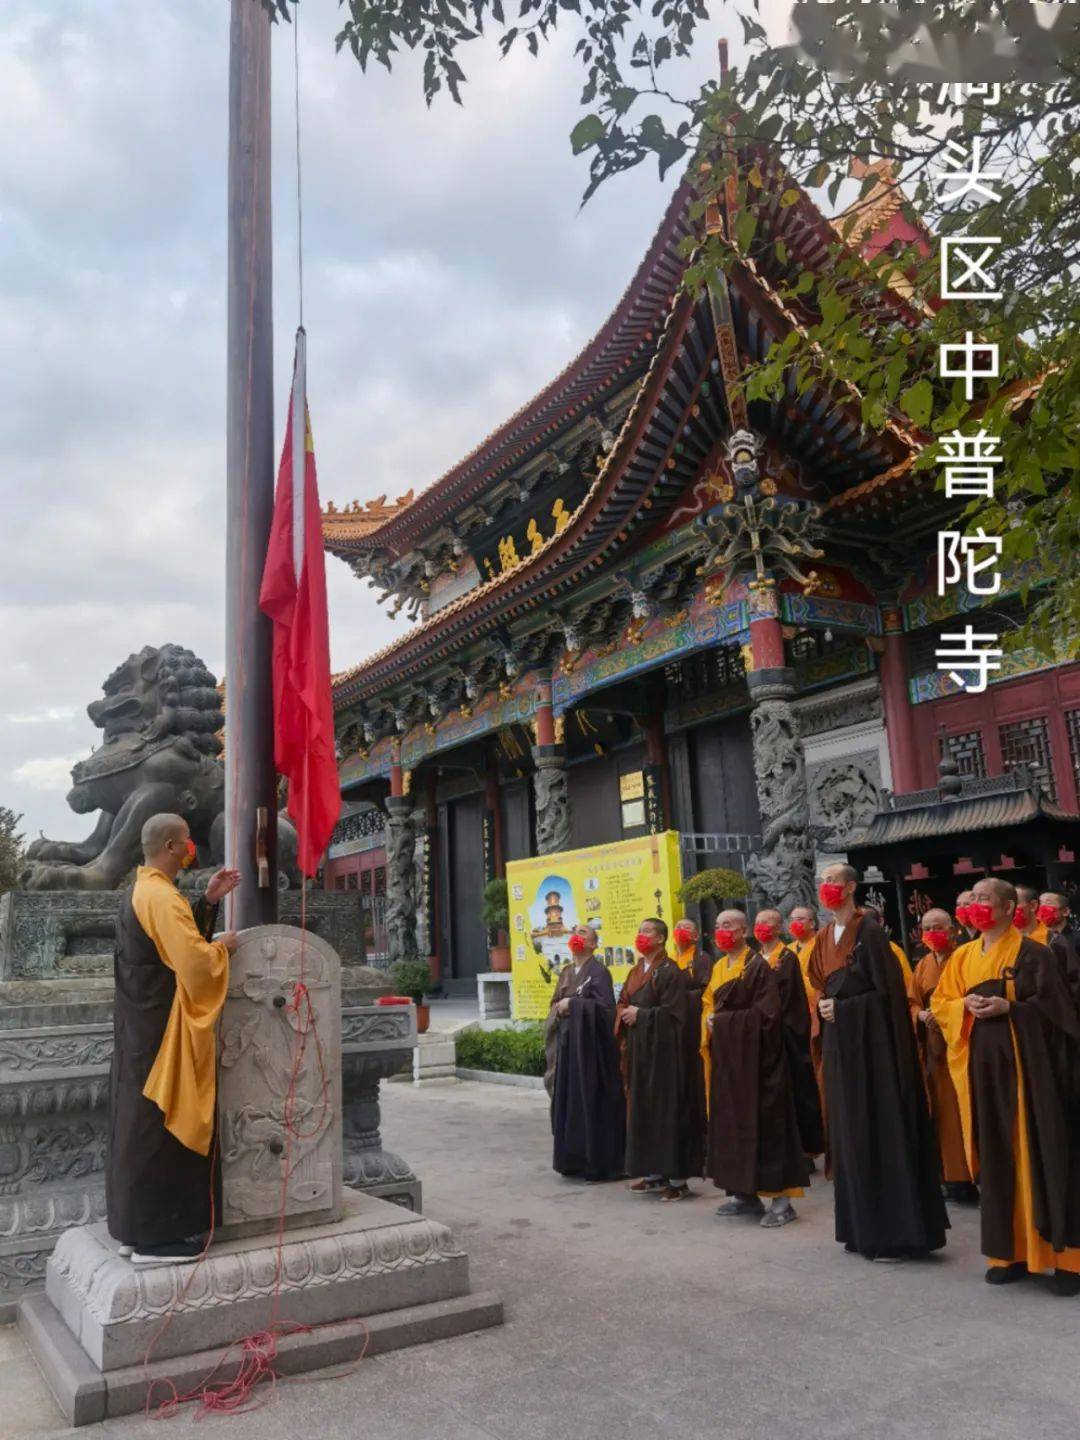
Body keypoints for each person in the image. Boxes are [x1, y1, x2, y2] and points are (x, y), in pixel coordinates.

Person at [932, 877, 1080, 1294]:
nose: (975, 906)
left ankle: (1066, 1258)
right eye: (972, 899)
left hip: (1031, 1074)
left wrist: (1010, 1008)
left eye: (984, 900)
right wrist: (966, 1005)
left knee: (1044, 1153)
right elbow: (942, 1003)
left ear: (1007, 908)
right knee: (997, 1154)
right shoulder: (961, 956)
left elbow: (1059, 1015)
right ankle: (1008, 1253)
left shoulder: (1035, 954)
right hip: (984, 1068)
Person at [107, 813, 239, 1265]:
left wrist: (207, 901)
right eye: (186, 842)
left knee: (139, 1126)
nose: (191, 848)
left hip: (141, 1030)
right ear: (170, 845)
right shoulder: (160, 897)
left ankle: (133, 1230)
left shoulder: (143, 890)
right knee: (160, 1128)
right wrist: (224, 949)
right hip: (161, 1033)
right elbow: (195, 967)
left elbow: (166, 952)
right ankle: (155, 1240)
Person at [807, 864, 947, 1260]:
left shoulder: (869, 931)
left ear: (851, 887)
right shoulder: (823, 937)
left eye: (834, 881)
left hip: (873, 1050)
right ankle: (860, 1228)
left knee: (878, 1126)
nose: (827, 887)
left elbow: (887, 996)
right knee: (849, 1130)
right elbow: (820, 983)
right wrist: (825, 1005)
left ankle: (895, 1234)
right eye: (824, 882)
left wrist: (845, 1008)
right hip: (841, 1045)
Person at [703, 910, 809, 1227]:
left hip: (760, 1063)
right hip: (729, 1061)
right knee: (733, 1125)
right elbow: (709, 1005)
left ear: (744, 930)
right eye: (718, 926)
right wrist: (711, 1022)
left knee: (769, 1126)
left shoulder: (758, 967)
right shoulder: (721, 966)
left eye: (728, 926)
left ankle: (782, 1202)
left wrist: (722, 1023)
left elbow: (768, 1016)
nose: (722, 931)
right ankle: (744, 1194)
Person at [545, 923, 625, 1183]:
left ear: (593, 944)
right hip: (568, 1047)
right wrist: (559, 1006)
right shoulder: (568, 971)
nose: (576, 938)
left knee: (591, 1102)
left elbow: (606, 1010)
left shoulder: (599, 972)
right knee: (568, 1103)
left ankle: (598, 1163)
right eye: (575, 933)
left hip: (590, 1051)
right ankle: (572, 1160)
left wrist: (574, 1004)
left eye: (583, 934)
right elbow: (555, 1003)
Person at [616, 918, 688, 1200]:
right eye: (639, 931)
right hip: (639, 1050)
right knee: (643, 1110)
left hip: (663, 1055)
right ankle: (653, 1173)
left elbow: (676, 1014)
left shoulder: (670, 971)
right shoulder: (636, 970)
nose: (641, 936)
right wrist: (624, 1010)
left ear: (661, 939)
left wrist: (642, 1014)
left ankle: (678, 1180)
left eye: (647, 932)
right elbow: (623, 999)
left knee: (665, 1112)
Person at [910, 909, 978, 1205]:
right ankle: (947, 1177)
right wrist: (921, 1014)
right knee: (939, 1114)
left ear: (952, 929)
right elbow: (911, 1001)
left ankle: (969, 1178)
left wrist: (944, 1013)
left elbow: (973, 996)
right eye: (927, 928)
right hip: (934, 1052)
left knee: (964, 1113)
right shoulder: (923, 963)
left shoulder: (964, 956)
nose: (933, 932)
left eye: (939, 927)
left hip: (961, 1047)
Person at [752, 909, 824, 1164]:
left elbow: (789, 999)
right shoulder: (754, 959)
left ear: (778, 928)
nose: (761, 927)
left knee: (796, 1090)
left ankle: (803, 1150)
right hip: (760, 1035)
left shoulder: (787, 957)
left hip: (784, 1033)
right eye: (758, 922)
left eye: (767, 923)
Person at [669, 917, 711, 1190]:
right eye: (679, 927)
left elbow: (705, 991)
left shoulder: (703, 959)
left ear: (696, 936)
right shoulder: (670, 959)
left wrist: (680, 996)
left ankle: (703, 1150)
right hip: (672, 1031)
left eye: (687, 929)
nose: (681, 932)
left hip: (694, 1030)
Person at [786, 906, 818, 990]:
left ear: (812, 924)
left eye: (800, 919)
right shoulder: (788, 949)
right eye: (791, 920)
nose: (794, 923)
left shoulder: (821, 945)